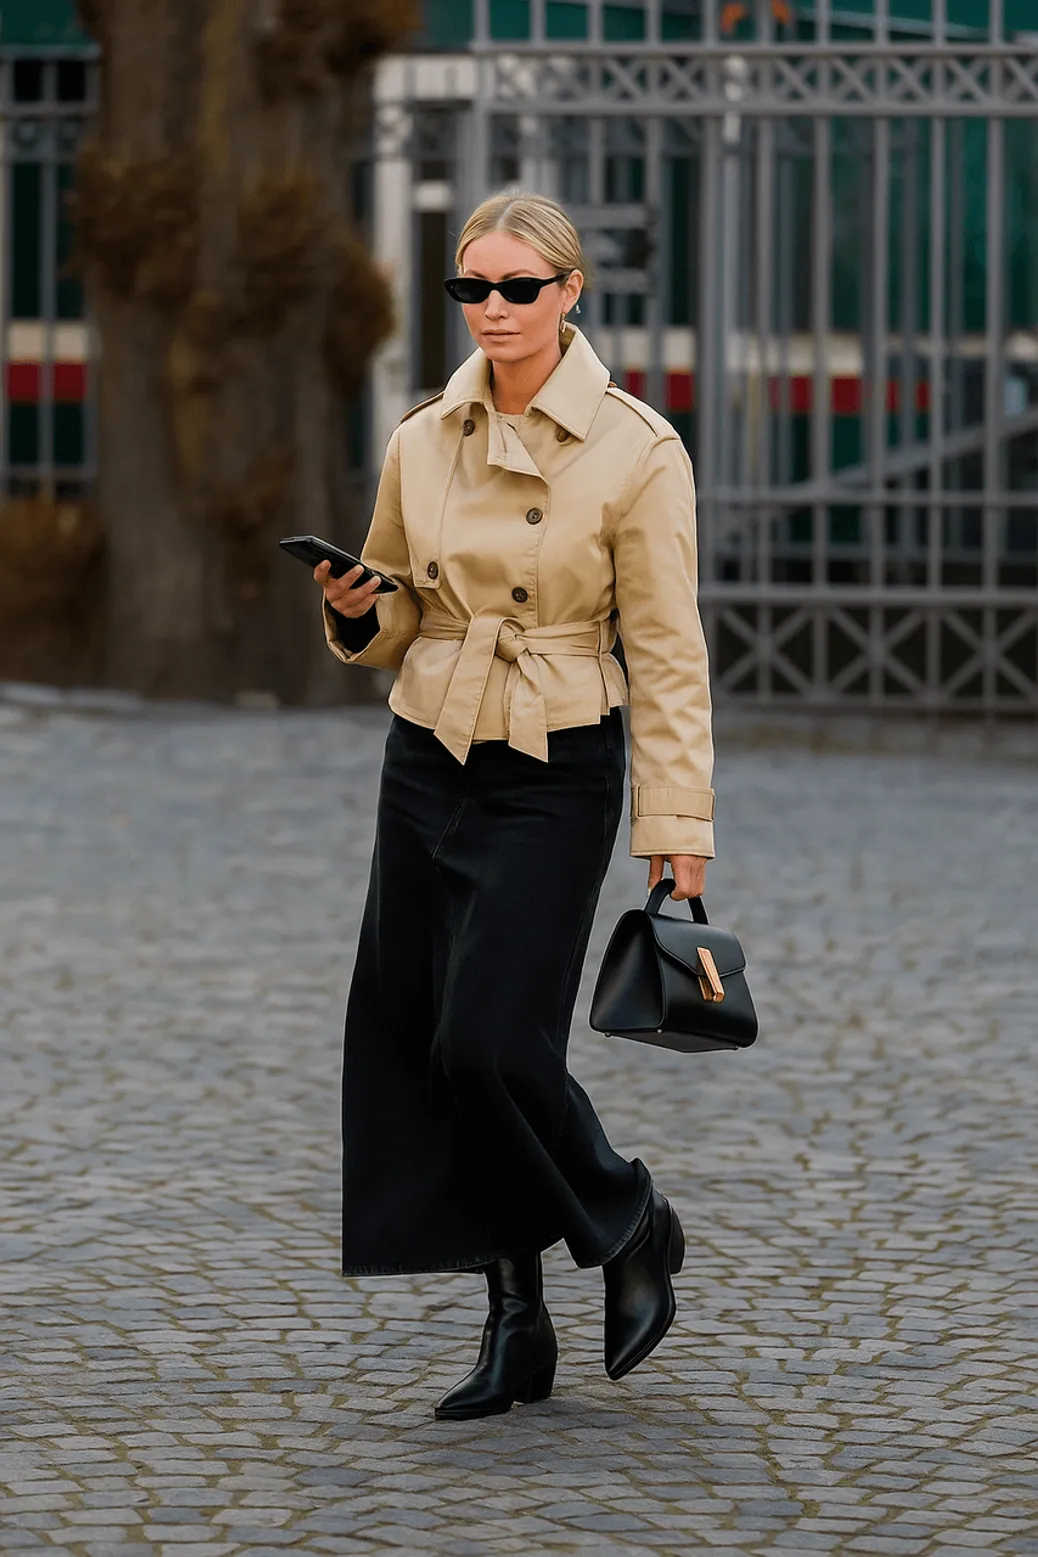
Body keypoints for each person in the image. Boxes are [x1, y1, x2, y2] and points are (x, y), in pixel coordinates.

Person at [313, 190, 715, 1421]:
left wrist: (677, 830)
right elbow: (399, 610)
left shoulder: (637, 449)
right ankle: (516, 1321)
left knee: (492, 1041)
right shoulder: (423, 435)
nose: (492, 308)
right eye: (471, 288)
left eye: (518, 288)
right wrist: (353, 608)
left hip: (556, 762)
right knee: (429, 1043)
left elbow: (669, 652)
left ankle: (630, 1215)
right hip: (429, 753)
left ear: (570, 293)